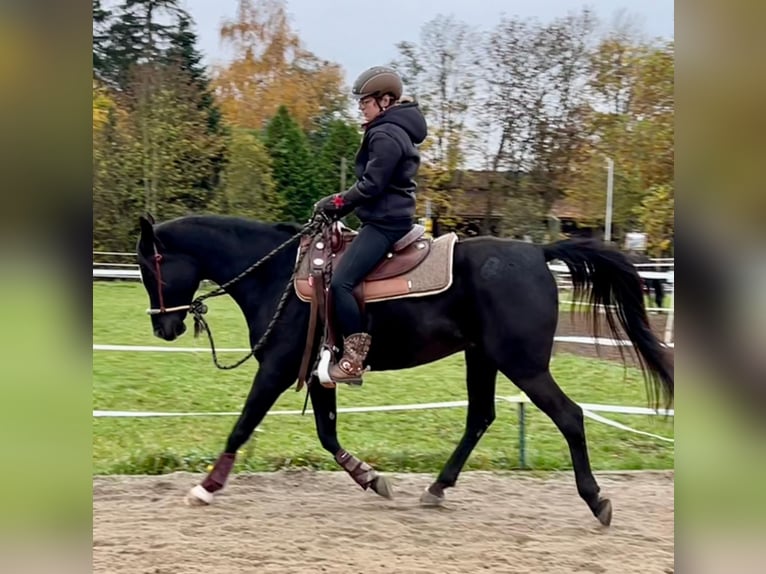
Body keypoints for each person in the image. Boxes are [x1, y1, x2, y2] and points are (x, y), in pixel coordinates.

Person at [314, 66, 428, 384]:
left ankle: (353, 360)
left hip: (385, 223)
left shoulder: (385, 133)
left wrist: (334, 203)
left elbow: (371, 185)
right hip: (386, 217)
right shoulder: (393, 129)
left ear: (385, 101)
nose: (360, 107)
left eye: (365, 101)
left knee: (341, 283)